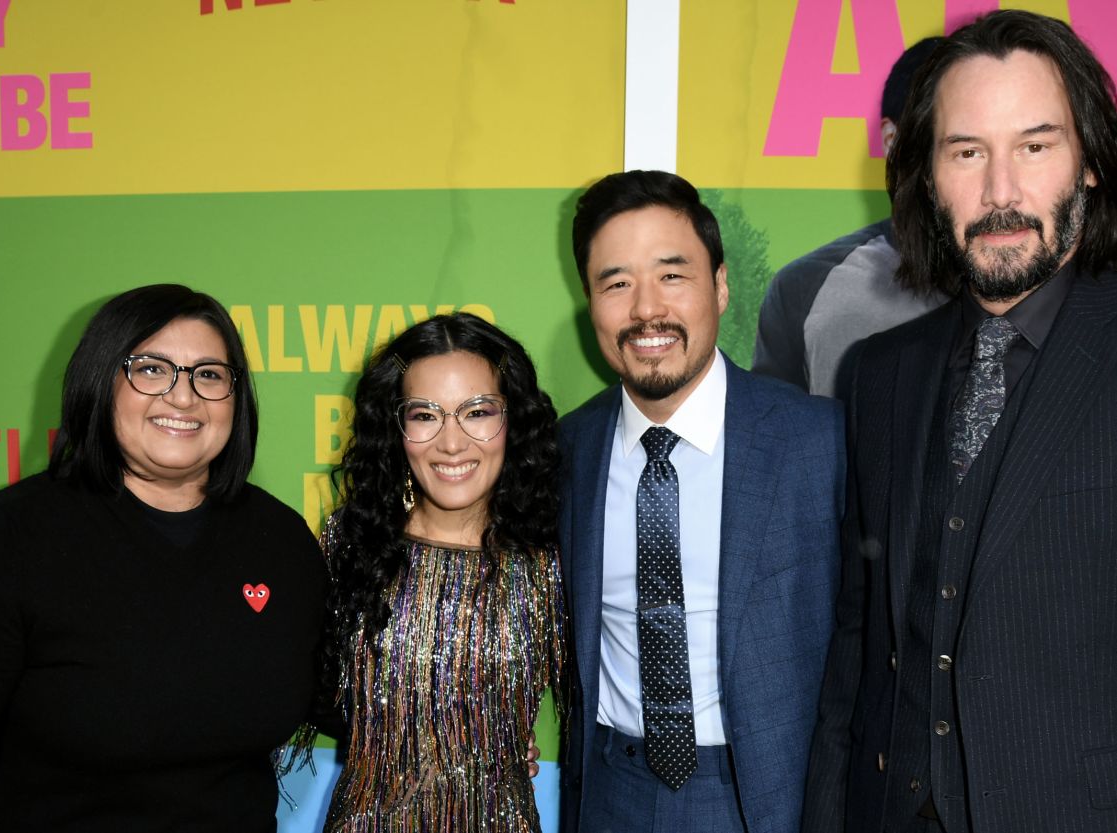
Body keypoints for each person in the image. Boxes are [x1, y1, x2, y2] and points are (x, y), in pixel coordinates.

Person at [804, 10, 1117, 833]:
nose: (1001, 190)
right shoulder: (878, 374)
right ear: (928, 177)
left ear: (1091, 166)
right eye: (967, 152)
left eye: (1035, 146)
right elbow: (858, 659)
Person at [0, 284, 327, 832]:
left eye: (209, 374)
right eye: (150, 369)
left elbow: (342, 698)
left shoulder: (280, 539)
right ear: (101, 380)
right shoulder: (7, 539)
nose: (183, 397)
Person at [558, 169, 845, 832]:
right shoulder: (566, 450)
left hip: (768, 797)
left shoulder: (819, 441)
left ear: (719, 286)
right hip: (610, 793)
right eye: (617, 282)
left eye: (672, 274)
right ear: (590, 302)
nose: (645, 309)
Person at [297, 312, 563, 832]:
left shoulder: (550, 559)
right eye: (425, 415)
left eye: (478, 411)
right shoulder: (348, 543)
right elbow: (300, 687)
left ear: (514, 418)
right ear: (395, 427)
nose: (452, 443)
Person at [752, 36, 947, 397]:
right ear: (891, 141)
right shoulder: (807, 288)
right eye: (939, 136)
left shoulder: (1055, 286)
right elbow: (769, 443)